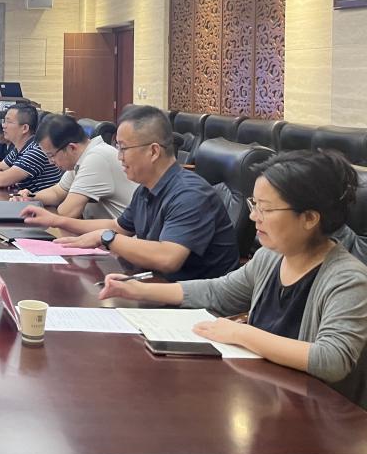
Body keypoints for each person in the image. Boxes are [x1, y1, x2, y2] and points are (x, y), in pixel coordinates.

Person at [99, 150, 367, 408]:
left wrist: (241, 333)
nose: (253, 216)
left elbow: (331, 359)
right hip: (268, 395)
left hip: (316, 413)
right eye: (254, 204)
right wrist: (139, 290)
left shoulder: (347, 279)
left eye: (266, 209)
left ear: (309, 218)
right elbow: (220, 291)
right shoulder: (270, 257)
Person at [20, 104, 237, 280]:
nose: (119, 157)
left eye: (123, 148)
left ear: (153, 151)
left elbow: (168, 258)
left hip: (193, 304)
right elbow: (118, 226)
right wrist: (58, 221)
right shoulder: (145, 188)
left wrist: (107, 238)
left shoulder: (189, 194)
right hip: (153, 283)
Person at [15, 113, 137, 220]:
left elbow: (67, 212)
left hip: (124, 236)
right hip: (103, 233)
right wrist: (30, 197)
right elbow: (57, 192)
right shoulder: (83, 158)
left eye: (51, 155)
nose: (51, 162)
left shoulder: (97, 158)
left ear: (71, 148)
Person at [0, 103, 62, 192]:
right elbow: (0, 167)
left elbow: (1, 180)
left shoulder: (36, 150)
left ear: (25, 128)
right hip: (26, 197)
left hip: (41, 200)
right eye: (4, 121)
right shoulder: (18, 148)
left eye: (9, 122)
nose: (3, 125)